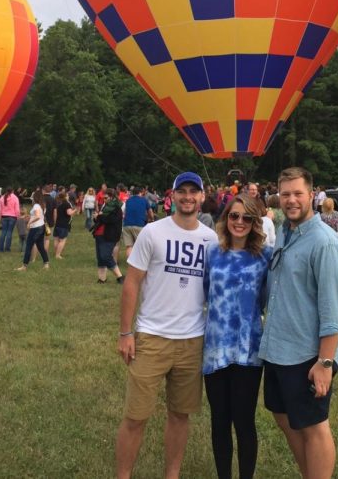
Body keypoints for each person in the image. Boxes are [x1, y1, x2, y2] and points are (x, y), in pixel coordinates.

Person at [115, 171, 216, 479]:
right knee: (136, 416)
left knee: (180, 415)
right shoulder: (153, 232)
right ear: (171, 196)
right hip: (152, 336)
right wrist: (125, 332)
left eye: (193, 192)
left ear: (201, 197)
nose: (188, 197)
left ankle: (171, 475)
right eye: (182, 191)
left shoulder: (211, 240)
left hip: (192, 340)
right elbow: (131, 283)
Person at [259, 167, 338, 479]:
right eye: (285, 194)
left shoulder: (324, 243)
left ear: (312, 195)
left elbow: (334, 310)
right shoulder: (284, 229)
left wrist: (325, 362)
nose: (291, 200)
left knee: (314, 426)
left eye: (298, 193)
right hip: (278, 347)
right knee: (282, 415)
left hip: (307, 353)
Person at [203, 194, 272, 479]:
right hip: (215, 348)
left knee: (244, 422)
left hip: (248, 351)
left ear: (255, 222)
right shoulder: (213, 253)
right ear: (225, 218)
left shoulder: (265, 255)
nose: (239, 222)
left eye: (247, 218)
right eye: (234, 216)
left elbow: (267, 299)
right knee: (219, 421)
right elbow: (206, 291)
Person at [93, 188, 124, 284]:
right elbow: (100, 220)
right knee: (100, 258)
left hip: (110, 235)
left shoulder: (117, 208)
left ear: (111, 197)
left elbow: (111, 220)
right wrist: (96, 217)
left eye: (106, 198)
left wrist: (99, 216)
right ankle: (102, 279)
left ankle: (120, 277)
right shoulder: (104, 206)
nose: (104, 200)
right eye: (103, 198)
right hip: (99, 234)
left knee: (105, 256)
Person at [15, 190, 50, 272]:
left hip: (36, 228)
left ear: (35, 197)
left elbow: (37, 216)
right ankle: (46, 264)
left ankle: (24, 266)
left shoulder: (36, 206)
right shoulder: (42, 206)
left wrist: (29, 222)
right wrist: (30, 217)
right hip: (41, 227)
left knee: (28, 247)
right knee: (40, 247)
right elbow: (38, 216)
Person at [121, 186, 153, 262]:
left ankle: (130, 262)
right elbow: (150, 212)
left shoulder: (128, 200)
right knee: (140, 245)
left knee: (129, 246)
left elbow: (124, 212)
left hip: (126, 225)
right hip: (139, 225)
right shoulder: (144, 200)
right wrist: (151, 219)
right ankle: (139, 262)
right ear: (141, 192)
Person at [52, 191, 76, 259]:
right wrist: (75, 210)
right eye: (67, 195)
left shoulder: (58, 203)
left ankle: (56, 253)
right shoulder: (66, 204)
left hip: (57, 224)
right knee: (62, 240)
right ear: (65, 197)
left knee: (56, 239)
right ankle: (58, 255)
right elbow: (69, 213)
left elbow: (56, 214)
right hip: (64, 224)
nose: (68, 196)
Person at [0, 187, 20, 252]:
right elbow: (17, 209)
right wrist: (18, 217)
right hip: (12, 217)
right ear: (12, 191)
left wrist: (0, 218)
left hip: (4, 216)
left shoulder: (2, 198)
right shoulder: (15, 198)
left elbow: (0, 210)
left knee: (3, 232)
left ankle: (0, 248)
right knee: (9, 232)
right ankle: (7, 248)